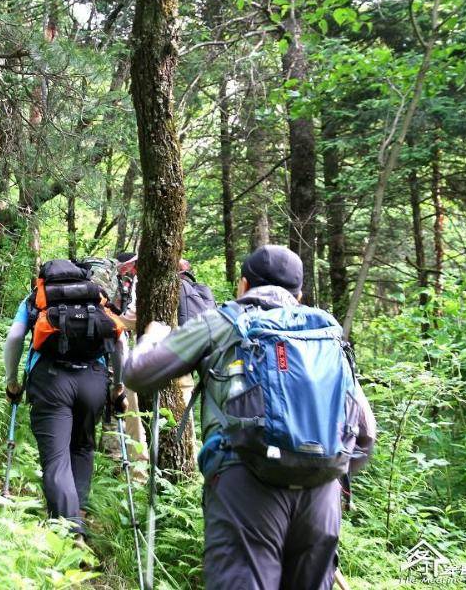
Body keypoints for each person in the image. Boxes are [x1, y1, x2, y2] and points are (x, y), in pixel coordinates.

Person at [123, 245, 377, 590]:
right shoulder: (326, 332)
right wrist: (321, 470)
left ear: (243, 285)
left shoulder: (223, 321)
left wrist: (150, 339)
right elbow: (365, 433)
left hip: (245, 483)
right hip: (322, 495)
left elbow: (138, 375)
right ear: (299, 294)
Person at [3, 259, 127, 537]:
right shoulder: (95, 298)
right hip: (93, 381)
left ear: (43, 278)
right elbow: (120, 341)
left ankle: (70, 531)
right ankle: (78, 514)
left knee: (57, 458)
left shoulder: (37, 299)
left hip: (50, 380)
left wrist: (12, 381)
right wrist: (118, 386)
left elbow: (14, 339)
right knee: (83, 447)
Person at [116, 253, 218, 456]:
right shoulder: (186, 288)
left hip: (151, 362)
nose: (134, 272)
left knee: (134, 413)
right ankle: (187, 465)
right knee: (183, 420)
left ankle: (139, 470)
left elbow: (126, 321)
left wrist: (109, 315)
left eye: (136, 267)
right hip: (183, 364)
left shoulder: (152, 291)